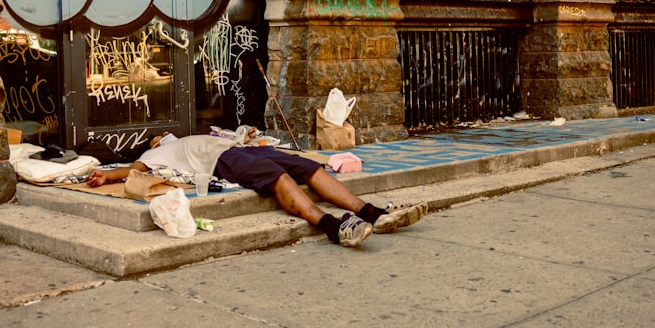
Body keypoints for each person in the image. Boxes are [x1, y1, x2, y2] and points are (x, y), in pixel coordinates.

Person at [87, 130, 427, 247]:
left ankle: (371, 213)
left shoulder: (190, 137)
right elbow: (133, 170)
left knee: (309, 168)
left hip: (242, 151)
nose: (164, 137)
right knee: (279, 180)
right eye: (159, 137)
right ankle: (332, 227)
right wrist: (107, 177)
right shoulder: (154, 152)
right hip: (225, 162)